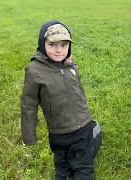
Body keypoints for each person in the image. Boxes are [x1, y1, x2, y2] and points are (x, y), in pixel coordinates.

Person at [21, 20, 102, 180]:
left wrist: (86, 116)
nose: (59, 50)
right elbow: (28, 106)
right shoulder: (34, 71)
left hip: (83, 128)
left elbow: (80, 93)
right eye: (52, 45)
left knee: (84, 167)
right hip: (59, 132)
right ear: (43, 44)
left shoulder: (72, 67)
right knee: (62, 167)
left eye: (64, 45)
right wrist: (28, 136)